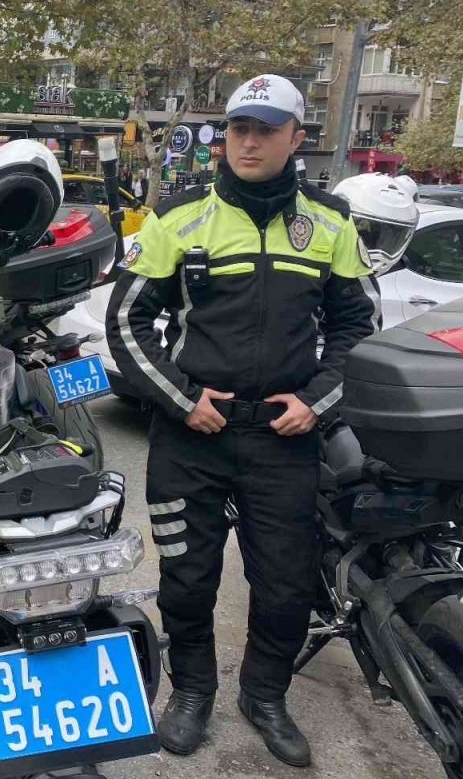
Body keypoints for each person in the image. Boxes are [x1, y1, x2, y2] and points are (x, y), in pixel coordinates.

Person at [106, 74, 379, 768]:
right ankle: (193, 692)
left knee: (286, 587)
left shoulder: (329, 220)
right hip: (192, 434)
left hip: (283, 440)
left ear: (296, 138)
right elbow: (129, 319)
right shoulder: (181, 215)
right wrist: (180, 397)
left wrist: (315, 401)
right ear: (223, 136)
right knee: (188, 580)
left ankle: (264, 697)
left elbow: (359, 328)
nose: (249, 142)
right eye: (237, 129)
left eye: (265, 129)